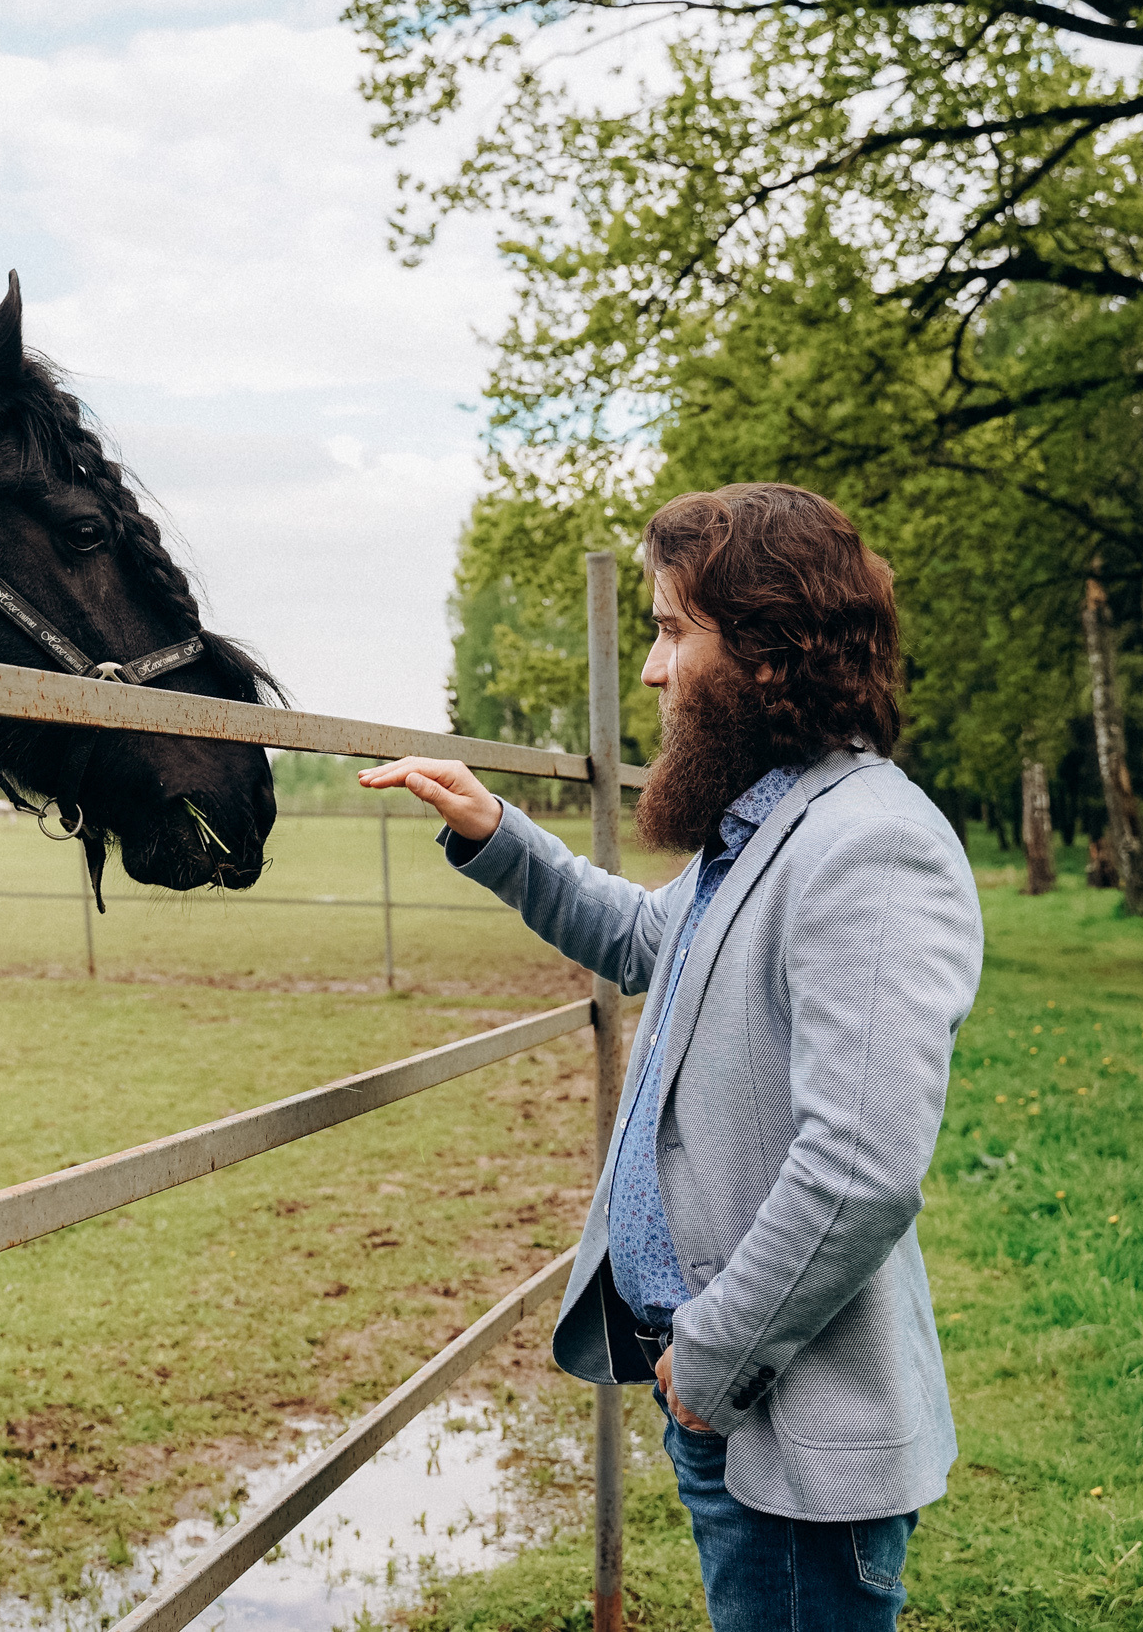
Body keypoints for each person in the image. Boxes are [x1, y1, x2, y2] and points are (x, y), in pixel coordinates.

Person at [362, 483, 980, 1630]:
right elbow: (654, 940)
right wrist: (496, 835)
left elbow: (860, 1168)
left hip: (778, 1413)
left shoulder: (870, 847)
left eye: (668, 629)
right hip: (732, 1399)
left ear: (765, 648)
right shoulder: (767, 822)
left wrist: (708, 1361)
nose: (651, 670)